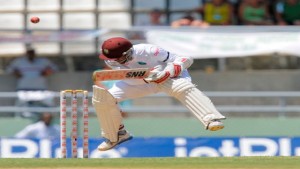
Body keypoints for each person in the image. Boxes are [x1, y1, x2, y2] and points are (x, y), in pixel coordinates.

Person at [92, 37, 226, 151]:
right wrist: (149, 76)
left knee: (182, 86)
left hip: (165, 78)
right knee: (102, 99)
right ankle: (116, 135)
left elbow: (185, 59)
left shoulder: (149, 51)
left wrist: (168, 72)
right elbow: (131, 77)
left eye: (116, 58)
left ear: (127, 53)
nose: (111, 60)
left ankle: (211, 118)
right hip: (136, 83)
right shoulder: (110, 59)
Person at [6, 47, 58, 117]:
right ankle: (19, 118)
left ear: (34, 54)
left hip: (40, 88)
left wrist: (46, 73)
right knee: (22, 105)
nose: (31, 55)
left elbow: (54, 68)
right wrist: (17, 73)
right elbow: (9, 70)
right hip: (24, 88)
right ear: (26, 54)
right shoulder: (19, 61)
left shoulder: (43, 61)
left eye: (32, 53)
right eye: (29, 53)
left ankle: (45, 118)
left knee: (45, 104)